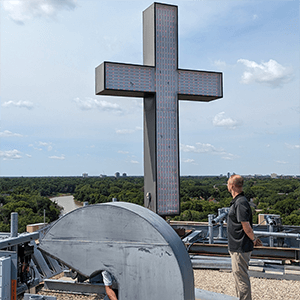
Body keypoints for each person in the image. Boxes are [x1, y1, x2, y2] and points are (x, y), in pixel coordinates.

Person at [227, 175, 262, 300]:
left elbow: (246, 225)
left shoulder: (241, 202)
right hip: (237, 246)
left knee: (241, 278)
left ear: (232, 186)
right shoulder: (239, 201)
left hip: (240, 247)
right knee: (239, 277)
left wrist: (254, 239)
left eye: (228, 183)